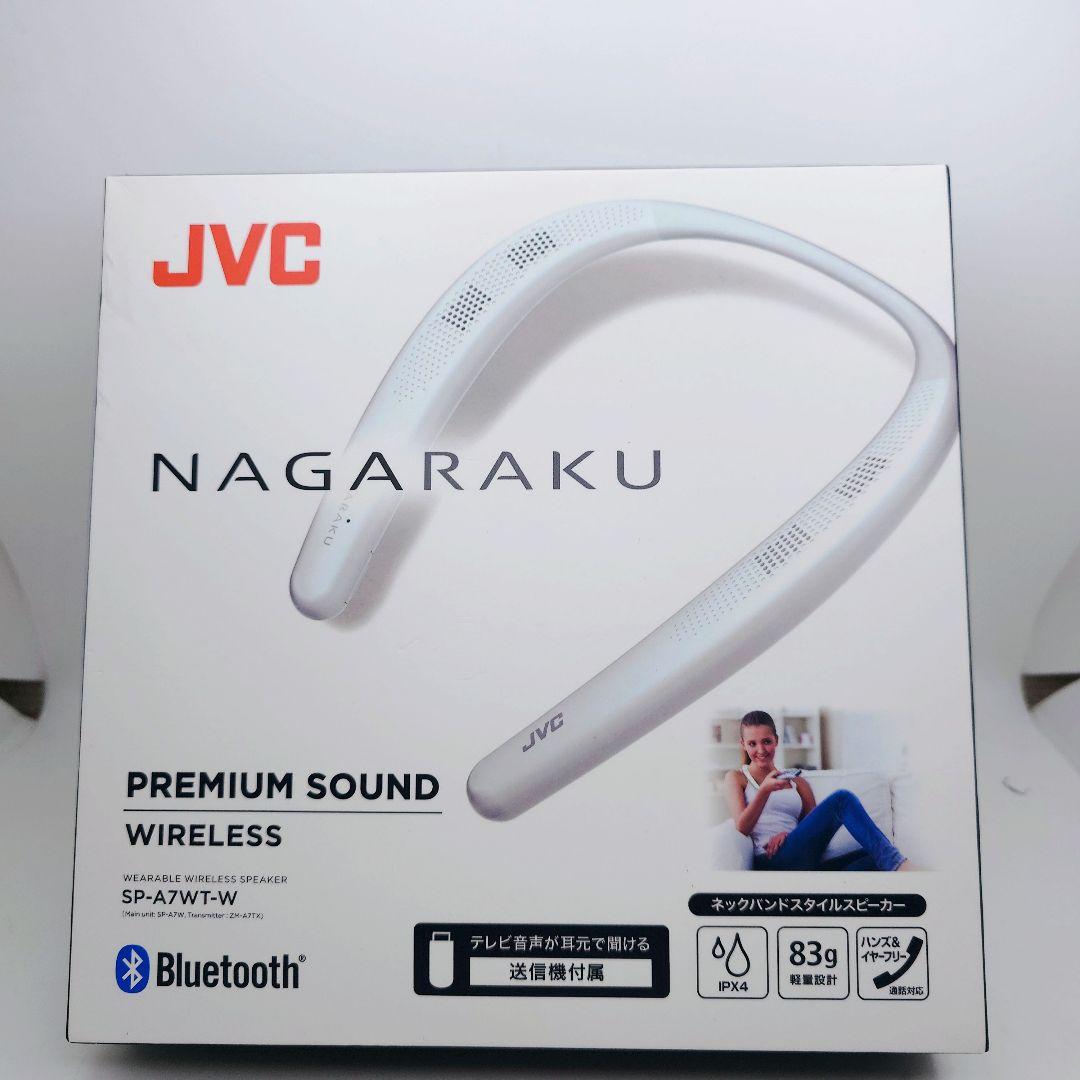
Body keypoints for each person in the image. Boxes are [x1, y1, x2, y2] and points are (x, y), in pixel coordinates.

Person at [724, 710, 910, 871]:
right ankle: (898, 865)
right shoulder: (736, 777)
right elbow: (742, 827)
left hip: (802, 858)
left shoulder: (797, 781)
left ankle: (832, 886)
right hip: (770, 860)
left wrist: (788, 836)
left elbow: (811, 830)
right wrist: (764, 791)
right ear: (743, 744)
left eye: (766, 741)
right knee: (842, 799)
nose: (761, 749)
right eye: (752, 743)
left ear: (776, 741)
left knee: (874, 855)